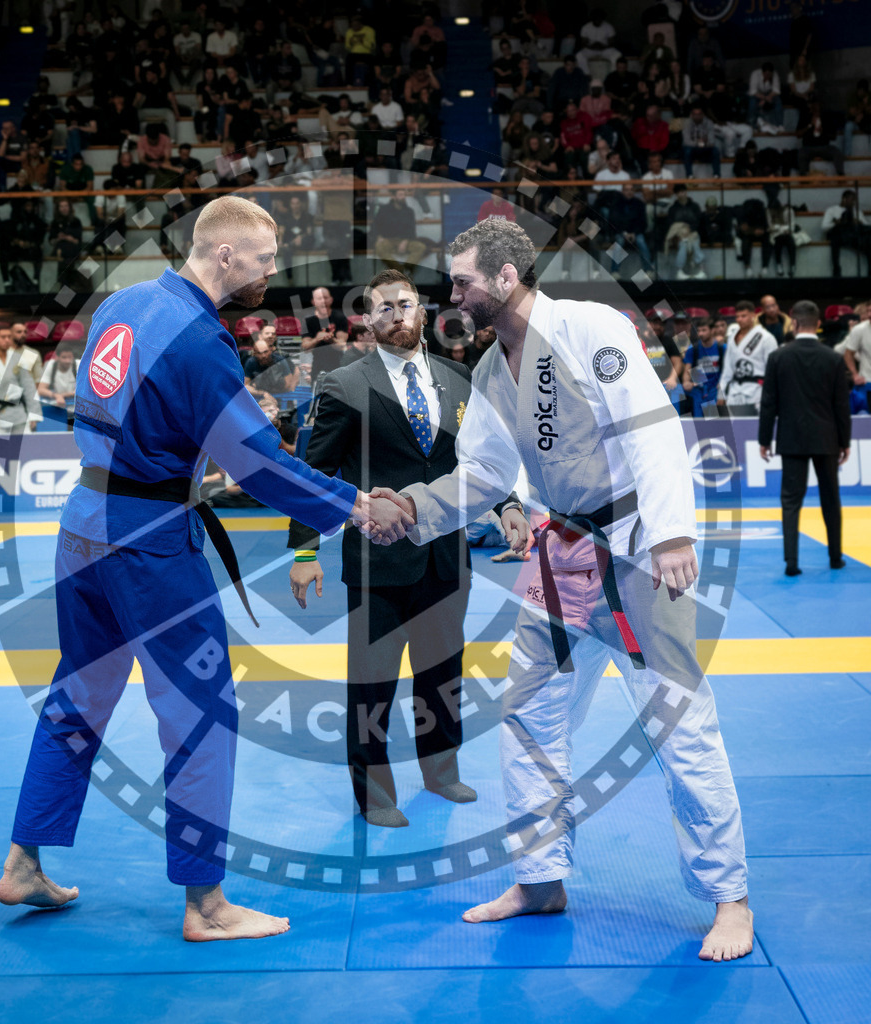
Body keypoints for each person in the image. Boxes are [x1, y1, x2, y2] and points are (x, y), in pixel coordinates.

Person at [0, 196, 411, 938]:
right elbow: (255, 462)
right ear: (224, 255)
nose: (272, 270)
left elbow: (117, 407)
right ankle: (206, 905)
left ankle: (23, 860)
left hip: (83, 525)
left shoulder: (121, 304)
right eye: (264, 256)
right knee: (199, 711)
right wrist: (351, 506)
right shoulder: (200, 338)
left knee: (79, 695)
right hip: (148, 540)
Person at [370, 217, 753, 963]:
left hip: (638, 550)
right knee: (527, 712)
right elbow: (480, 477)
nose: (453, 294)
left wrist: (675, 531)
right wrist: (412, 510)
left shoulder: (589, 328)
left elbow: (649, 426)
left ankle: (728, 897)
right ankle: (540, 877)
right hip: (562, 553)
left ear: (506, 279)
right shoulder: (488, 370)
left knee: (677, 721)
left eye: (464, 281)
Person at [287, 268, 527, 826]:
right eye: (384, 308)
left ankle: (441, 772)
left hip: (445, 554)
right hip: (376, 562)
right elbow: (313, 474)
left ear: (424, 312)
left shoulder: (458, 377)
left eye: (406, 304)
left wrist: (509, 503)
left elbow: (483, 459)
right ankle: (373, 793)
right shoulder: (344, 385)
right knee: (372, 682)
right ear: (369, 321)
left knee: (442, 673)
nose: (397, 315)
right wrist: (303, 553)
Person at [759, 301, 850, 576]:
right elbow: (841, 406)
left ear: (794, 324)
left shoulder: (778, 357)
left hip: (792, 438)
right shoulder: (833, 358)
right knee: (831, 498)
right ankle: (835, 557)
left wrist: (764, 439)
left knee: (790, 501)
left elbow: (769, 403)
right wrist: (844, 442)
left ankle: (791, 563)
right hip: (827, 438)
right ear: (818, 324)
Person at [717, 301, 777, 416]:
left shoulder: (766, 338)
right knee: (735, 429)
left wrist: (772, 395)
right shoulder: (732, 337)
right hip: (734, 391)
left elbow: (772, 370)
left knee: (754, 429)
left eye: (743, 316)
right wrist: (722, 393)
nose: (739, 319)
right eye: (737, 316)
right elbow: (727, 369)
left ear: (753, 316)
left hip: (756, 391)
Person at [301, 286, 349, 382]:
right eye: (319, 298)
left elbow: (342, 345)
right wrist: (317, 339)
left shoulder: (339, 318)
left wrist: (332, 339)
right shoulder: (308, 320)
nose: (323, 301)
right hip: (317, 363)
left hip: (337, 362)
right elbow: (305, 347)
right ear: (313, 302)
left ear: (331, 300)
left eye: (326, 298)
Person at [822, 190, 871, 278]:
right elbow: (824, 227)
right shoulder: (832, 210)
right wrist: (837, 223)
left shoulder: (857, 212)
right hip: (839, 236)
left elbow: (866, 227)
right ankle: (836, 270)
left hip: (852, 236)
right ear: (844, 199)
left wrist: (859, 222)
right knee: (835, 235)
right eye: (852, 200)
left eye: (854, 200)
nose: (853, 203)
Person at [682, 318, 725, 418]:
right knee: (698, 420)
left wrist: (723, 384)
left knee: (711, 421)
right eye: (699, 331)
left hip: (715, 387)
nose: (700, 333)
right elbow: (687, 370)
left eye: (704, 330)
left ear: (712, 330)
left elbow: (728, 369)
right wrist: (686, 382)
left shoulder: (721, 348)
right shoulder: (693, 349)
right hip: (699, 386)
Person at [243, 325, 299, 394]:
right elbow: (245, 384)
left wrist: (290, 392)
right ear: (260, 336)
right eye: (267, 333)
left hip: (278, 392)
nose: (270, 336)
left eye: (273, 334)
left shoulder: (282, 355)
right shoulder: (248, 356)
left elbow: (295, 370)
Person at [843, 317, 871, 414]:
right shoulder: (860, 329)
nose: (869, 314)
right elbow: (848, 353)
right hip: (867, 382)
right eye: (868, 311)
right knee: (864, 417)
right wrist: (854, 374)